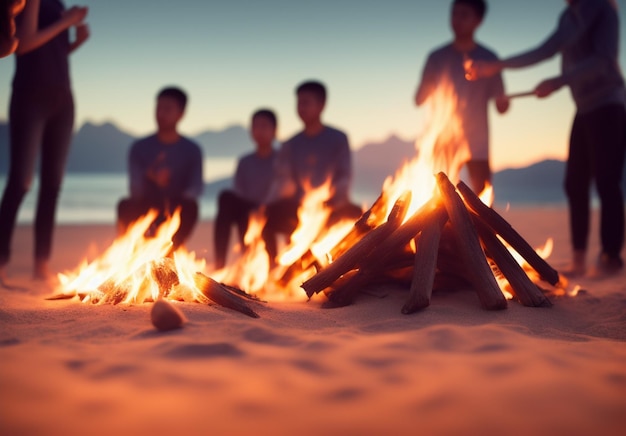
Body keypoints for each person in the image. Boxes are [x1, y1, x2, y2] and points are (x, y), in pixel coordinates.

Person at [467, 0, 625, 276]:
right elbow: (544, 51)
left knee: (606, 180)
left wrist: (558, 81)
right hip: (585, 108)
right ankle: (579, 259)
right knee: (575, 182)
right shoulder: (568, 16)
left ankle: (611, 257)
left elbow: (603, 60)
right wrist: (496, 66)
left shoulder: (604, 10)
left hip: (609, 105)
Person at [0, 0, 89, 282]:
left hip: (63, 98)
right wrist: (67, 20)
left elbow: (52, 52)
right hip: (31, 96)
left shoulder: (56, 2)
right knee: (21, 181)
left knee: (52, 185)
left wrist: (77, 42)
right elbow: (24, 45)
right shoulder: (24, 2)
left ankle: (42, 264)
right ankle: (1, 260)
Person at [262, 80, 362, 263]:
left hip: (331, 206)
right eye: (298, 103)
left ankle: (337, 266)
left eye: (306, 102)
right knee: (269, 216)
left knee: (360, 218)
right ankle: (276, 269)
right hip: (298, 208)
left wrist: (330, 200)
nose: (301, 108)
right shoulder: (290, 144)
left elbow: (343, 176)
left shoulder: (338, 139)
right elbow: (283, 181)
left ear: (321, 105)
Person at [414, 0, 509, 195]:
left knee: (483, 204)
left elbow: (502, 107)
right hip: (444, 140)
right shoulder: (437, 57)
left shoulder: (489, 59)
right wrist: (429, 86)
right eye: (454, 14)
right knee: (438, 201)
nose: (457, 20)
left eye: (464, 15)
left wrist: (503, 102)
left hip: (478, 144)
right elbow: (418, 99)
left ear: (478, 21)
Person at [117, 87, 203, 252]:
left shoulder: (192, 150)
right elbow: (135, 191)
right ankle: (134, 252)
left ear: (181, 114)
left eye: (167, 109)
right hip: (146, 206)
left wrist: (175, 191)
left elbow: (196, 187)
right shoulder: (139, 147)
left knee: (191, 206)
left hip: (175, 207)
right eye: (158, 108)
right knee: (125, 205)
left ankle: (172, 250)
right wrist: (149, 176)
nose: (161, 114)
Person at [213, 109, 278, 269]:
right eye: (255, 126)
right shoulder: (245, 161)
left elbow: (283, 188)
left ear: (274, 130)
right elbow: (238, 191)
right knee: (226, 198)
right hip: (248, 209)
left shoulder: (282, 159)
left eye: (264, 126)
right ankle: (220, 264)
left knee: (261, 213)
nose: (259, 131)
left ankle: (271, 265)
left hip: (274, 209)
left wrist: (262, 206)